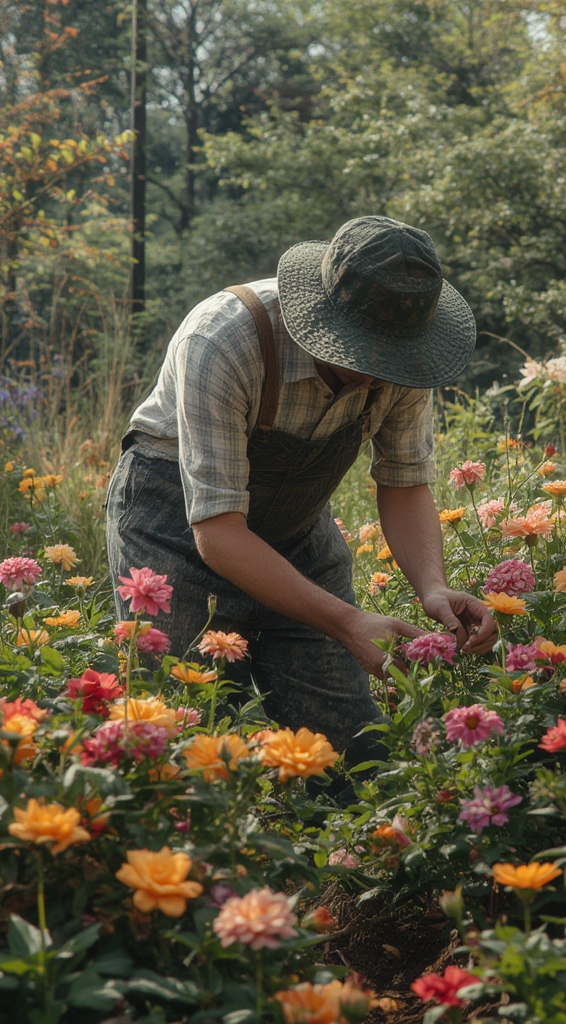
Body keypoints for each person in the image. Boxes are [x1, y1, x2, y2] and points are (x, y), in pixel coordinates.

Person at [105, 215, 496, 766]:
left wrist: (432, 587)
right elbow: (217, 532)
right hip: (173, 530)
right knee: (175, 731)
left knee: (354, 755)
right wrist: (346, 621)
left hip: (296, 532)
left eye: (393, 357)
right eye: (366, 353)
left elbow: (405, 483)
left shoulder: (406, 362)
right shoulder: (223, 340)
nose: (380, 373)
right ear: (323, 316)